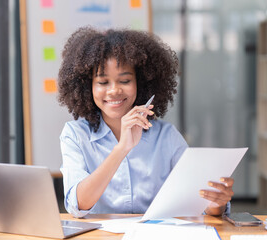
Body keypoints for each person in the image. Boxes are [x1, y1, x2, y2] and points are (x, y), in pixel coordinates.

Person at [57, 27, 234, 218]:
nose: (114, 90)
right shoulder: (75, 134)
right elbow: (77, 205)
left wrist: (216, 203)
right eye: (103, 82)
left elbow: (200, 201)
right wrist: (121, 149)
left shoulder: (166, 136)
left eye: (124, 81)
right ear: (87, 86)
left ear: (140, 83)